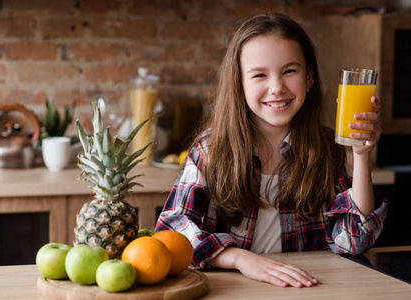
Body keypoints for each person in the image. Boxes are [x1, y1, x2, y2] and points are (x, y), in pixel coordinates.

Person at [155, 13, 387, 288]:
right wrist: (239, 258)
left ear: (309, 77)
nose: (276, 88)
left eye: (289, 71)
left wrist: (361, 156)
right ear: (239, 84)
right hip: (234, 291)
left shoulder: (326, 149)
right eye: (259, 75)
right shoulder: (211, 150)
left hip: (310, 290)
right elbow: (171, 234)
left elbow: (352, 243)